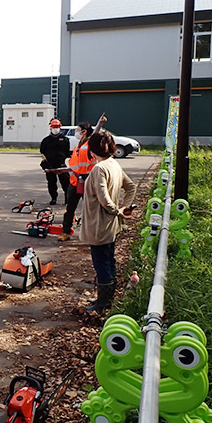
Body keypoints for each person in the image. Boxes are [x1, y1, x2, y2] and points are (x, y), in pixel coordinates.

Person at [79, 130, 136, 313]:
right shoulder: (114, 164)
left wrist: (118, 211)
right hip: (112, 227)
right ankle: (107, 300)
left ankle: (102, 304)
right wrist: (124, 208)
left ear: (92, 149)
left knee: (101, 263)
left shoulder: (99, 168)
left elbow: (104, 199)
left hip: (99, 226)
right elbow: (131, 187)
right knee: (109, 261)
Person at [58, 114, 107, 241]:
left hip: (88, 181)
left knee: (91, 209)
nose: (76, 133)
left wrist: (99, 123)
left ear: (84, 132)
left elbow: (94, 134)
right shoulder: (78, 146)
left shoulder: (89, 144)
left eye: (78, 130)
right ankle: (66, 232)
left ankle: (92, 234)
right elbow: (76, 164)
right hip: (74, 181)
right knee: (70, 208)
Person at [39, 118, 71, 206]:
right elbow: (42, 152)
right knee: (51, 183)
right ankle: (53, 198)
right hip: (50, 165)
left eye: (57, 127)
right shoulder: (46, 140)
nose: (55, 129)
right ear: (50, 128)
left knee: (66, 182)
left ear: (60, 127)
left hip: (61, 164)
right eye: (53, 127)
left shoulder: (65, 140)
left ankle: (67, 199)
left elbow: (67, 152)